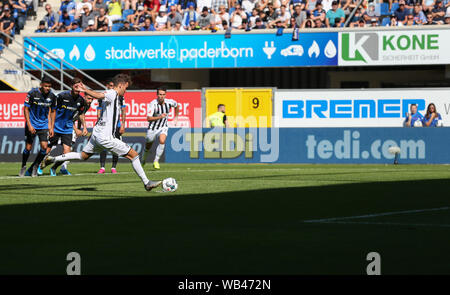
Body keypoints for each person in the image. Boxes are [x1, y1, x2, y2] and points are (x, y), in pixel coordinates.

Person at [42, 74, 161, 191]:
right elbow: (98, 95)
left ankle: (53, 159)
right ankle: (147, 183)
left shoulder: (114, 95)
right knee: (134, 155)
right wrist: (84, 89)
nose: (125, 91)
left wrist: (85, 89)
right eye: (126, 88)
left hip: (97, 134)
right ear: (120, 85)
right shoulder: (112, 93)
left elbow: (100, 96)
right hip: (105, 137)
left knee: (81, 156)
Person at [42, 78, 87, 176]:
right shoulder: (62, 96)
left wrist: (84, 127)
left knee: (67, 153)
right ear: (71, 86)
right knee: (47, 149)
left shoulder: (81, 100)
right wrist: (50, 125)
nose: (77, 88)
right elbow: (52, 110)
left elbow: (81, 114)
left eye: (79, 86)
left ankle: (54, 168)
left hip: (67, 129)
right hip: (56, 127)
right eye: (75, 86)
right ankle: (39, 166)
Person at [20, 76, 57, 177]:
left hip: (43, 125)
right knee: (28, 148)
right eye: (46, 86)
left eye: (49, 86)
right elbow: (26, 109)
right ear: (41, 85)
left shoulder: (52, 96)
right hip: (32, 124)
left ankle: (36, 166)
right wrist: (29, 125)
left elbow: (53, 111)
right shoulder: (32, 93)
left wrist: (51, 127)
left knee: (44, 148)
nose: (47, 88)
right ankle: (23, 165)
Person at [141, 87, 179, 170]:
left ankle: (156, 161)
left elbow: (176, 105)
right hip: (152, 128)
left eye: (163, 94)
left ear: (165, 95)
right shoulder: (153, 104)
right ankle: (143, 160)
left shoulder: (169, 102)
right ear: (157, 95)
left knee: (162, 141)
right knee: (148, 146)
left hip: (163, 126)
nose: (161, 96)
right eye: (160, 94)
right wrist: (160, 117)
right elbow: (148, 118)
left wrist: (176, 117)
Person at [97, 80, 127, 174]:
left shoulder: (120, 97)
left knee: (116, 146)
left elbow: (123, 111)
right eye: (110, 85)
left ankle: (113, 167)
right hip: (105, 126)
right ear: (107, 86)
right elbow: (99, 111)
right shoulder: (103, 97)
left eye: (113, 86)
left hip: (116, 126)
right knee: (103, 146)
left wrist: (122, 124)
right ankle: (102, 167)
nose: (111, 87)